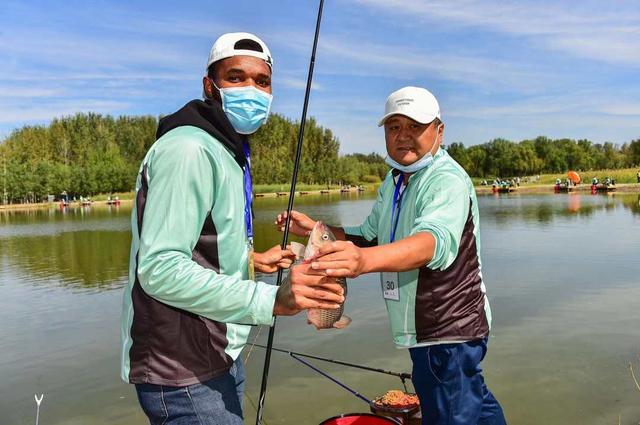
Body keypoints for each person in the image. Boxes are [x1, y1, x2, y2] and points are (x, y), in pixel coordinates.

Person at [120, 32, 345, 424]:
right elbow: (159, 269)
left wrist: (251, 260)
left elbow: (200, 246)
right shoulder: (189, 149)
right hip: (183, 370)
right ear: (210, 86)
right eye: (236, 78)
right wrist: (273, 300)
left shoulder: (228, 150)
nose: (251, 90)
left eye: (262, 82)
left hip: (219, 354)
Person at [277, 86, 506, 425]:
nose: (403, 136)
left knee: (452, 414)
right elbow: (369, 236)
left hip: (448, 329)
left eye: (415, 126)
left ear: (439, 131)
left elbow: (433, 242)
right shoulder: (396, 179)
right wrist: (318, 229)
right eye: (394, 127)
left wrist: (363, 262)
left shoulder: (446, 180)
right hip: (424, 330)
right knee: (473, 403)